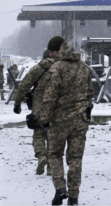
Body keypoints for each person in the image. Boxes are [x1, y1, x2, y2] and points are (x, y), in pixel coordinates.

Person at [39, 36, 94, 205]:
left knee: (54, 154)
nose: (50, 55)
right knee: (76, 158)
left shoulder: (57, 69)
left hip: (60, 120)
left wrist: (43, 119)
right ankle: (74, 196)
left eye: (52, 52)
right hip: (80, 120)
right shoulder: (84, 68)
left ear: (58, 51)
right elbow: (90, 93)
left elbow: (50, 96)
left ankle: (60, 188)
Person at [13, 50, 54, 176]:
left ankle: (41, 156)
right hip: (56, 107)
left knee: (38, 135)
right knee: (53, 136)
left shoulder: (36, 69)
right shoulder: (61, 69)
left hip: (39, 108)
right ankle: (51, 166)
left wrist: (17, 103)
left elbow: (24, 86)